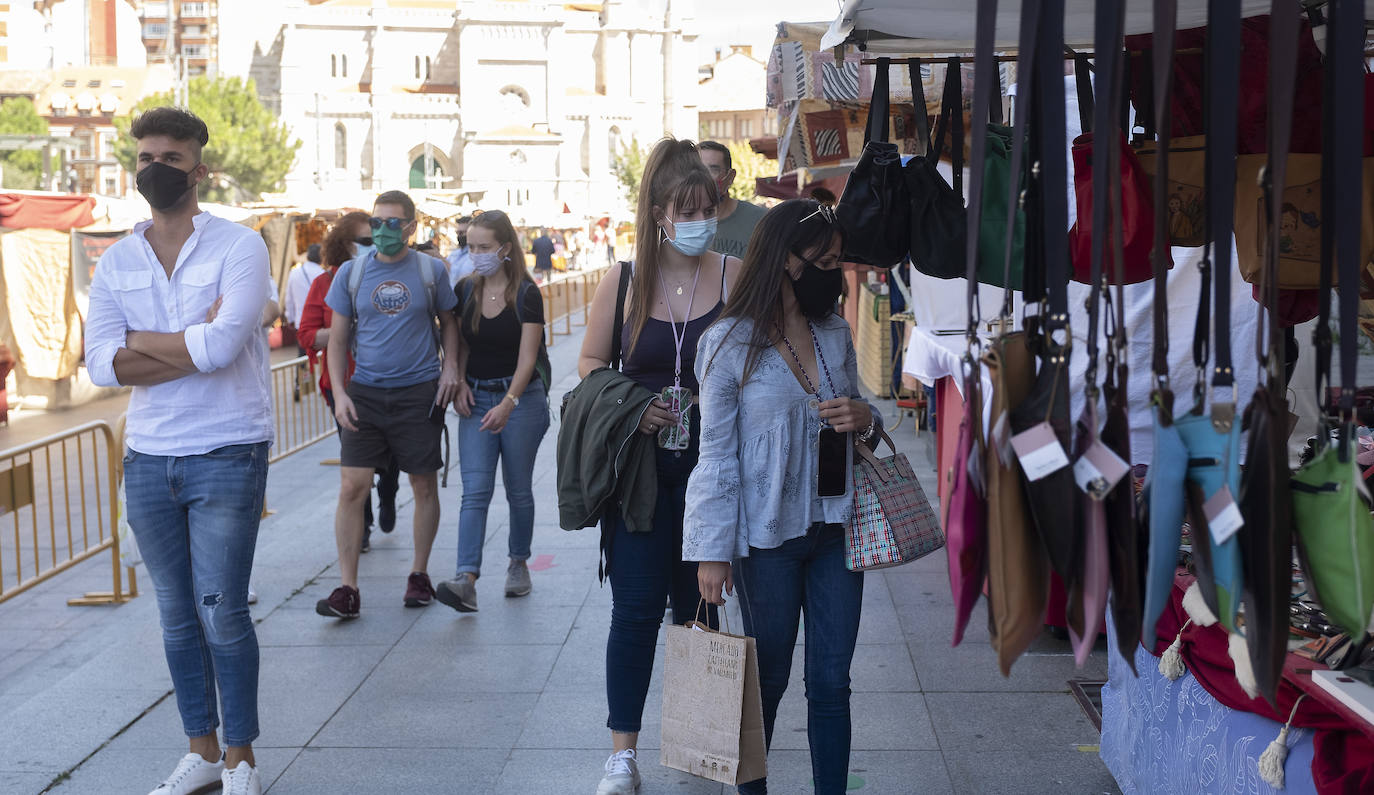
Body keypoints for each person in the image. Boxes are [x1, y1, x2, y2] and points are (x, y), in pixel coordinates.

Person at [84, 107, 273, 795]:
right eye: (144, 158)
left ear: (199, 167)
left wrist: (146, 344)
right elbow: (101, 364)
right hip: (148, 456)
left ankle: (242, 757)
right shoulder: (117, 259)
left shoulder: (239, 246)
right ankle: (201, 749)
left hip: (227, 449)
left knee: (222, 608)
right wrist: (191, 344)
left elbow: (225, 347)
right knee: (174, 613)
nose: (154, 169)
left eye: (169, 157)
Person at [686, 198, 879, 795]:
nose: (835, 271)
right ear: (785, 261)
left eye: (838, 260)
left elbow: (862, 414)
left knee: (830, 683)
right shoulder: (727, 343)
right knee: (763, 681)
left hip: (835, 529)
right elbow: (715, 455)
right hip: (765, 540)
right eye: (824, 261)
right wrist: (711, 552)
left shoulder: (835, 332)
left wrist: (864, 414)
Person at [577, 137, 741, 795]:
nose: (700, 220)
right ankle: (623, 752)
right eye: (686, 209)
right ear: (657, 213)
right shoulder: (622, 281)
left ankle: (702, 741)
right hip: (641, 474)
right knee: (636, 608)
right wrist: (634, 405)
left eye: (708, 206)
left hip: (713, 468)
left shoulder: (733, 275)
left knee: (701, 602)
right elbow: (589, 365)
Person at [316, 190, 460, 619]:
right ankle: (348, 588)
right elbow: (337, 340)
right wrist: (340, 394)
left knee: (423, 484)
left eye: (392, 223)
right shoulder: (351, 273)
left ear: (411, 227)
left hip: (419, 391)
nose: (382, 231)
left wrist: (450, 367)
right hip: (366, 393)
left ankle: (418, 574)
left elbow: (449, 324)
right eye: (376, 223)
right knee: (351, 487)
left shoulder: (431, 270)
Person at [434, 210, 551, 612]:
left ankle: (519, 562)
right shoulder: (466, 289)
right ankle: (466, 578)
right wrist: (461, 381)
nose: (477, 254)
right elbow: (464, 344)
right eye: (471, 247)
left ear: (505, 248)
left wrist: (509, 403)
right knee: (475, 491)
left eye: (484, 247)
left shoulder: (526, 293)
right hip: (477, 398)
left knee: (518, 489)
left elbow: (528, 358)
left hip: (521, 401)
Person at [298, 211, 401, 551]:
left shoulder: (391, 278)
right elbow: (308, 334)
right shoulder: (325, 283)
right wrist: (342, 330)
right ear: (344, 243)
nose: (373, 247)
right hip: (343, 385)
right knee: (357, 459)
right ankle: (364, 525)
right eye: (365, 241)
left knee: (391, 451)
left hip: (390, 380)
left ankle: (389, 492)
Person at [699, 140, 767, 260]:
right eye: (698, 169)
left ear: (730, 177)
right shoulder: (682, 223)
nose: (703, 177)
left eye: (712, 170)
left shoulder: (759, 221)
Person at [283, 244, 325, 354]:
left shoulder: (294, 273)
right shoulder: (323, 274)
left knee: (302, 357)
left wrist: (290, 318)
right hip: (319, 324)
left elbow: (289, 299)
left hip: (300, 322)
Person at [446, 215, 474, 288]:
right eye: (457, 233)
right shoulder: (454, 254)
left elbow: (463, 275)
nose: (459, 236)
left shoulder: (475, 254)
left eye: (461, 233)